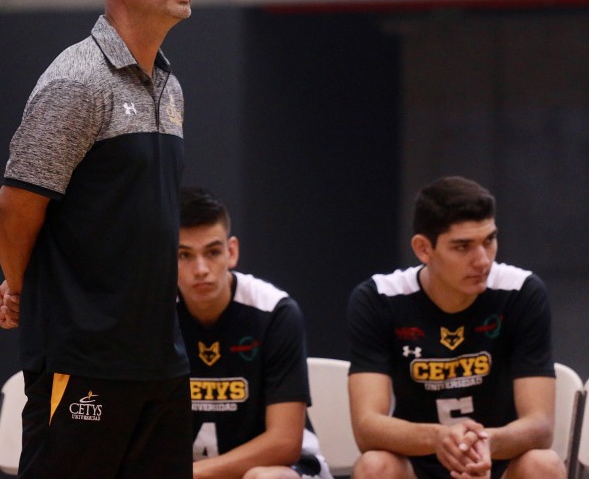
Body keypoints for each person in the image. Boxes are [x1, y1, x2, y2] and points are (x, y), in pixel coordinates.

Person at [0, 0, 195, 479]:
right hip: (84, 358)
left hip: (160, 358)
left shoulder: (168, 86)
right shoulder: (76, 81)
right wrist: (24, 287)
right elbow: (14, 211)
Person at [347, 176, 567, 479]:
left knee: (544, 465)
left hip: (496, 462)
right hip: (418, 462)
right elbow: (367, 428)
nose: (482, 261)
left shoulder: (521, 292)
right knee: (374, 466)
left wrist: (485, 443)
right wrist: (440, 439)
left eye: (489, 240)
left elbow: (540, 426)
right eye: (463, 247)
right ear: (424, 249)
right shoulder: (379, 298)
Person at [177, 187, 333, 479]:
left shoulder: (275, 312)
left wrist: (192, 473)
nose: (200, 269)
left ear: (231, 251)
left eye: (212, 252)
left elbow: (285, 444)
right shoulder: (154, 316)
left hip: (280, 470)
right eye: (184, 255)